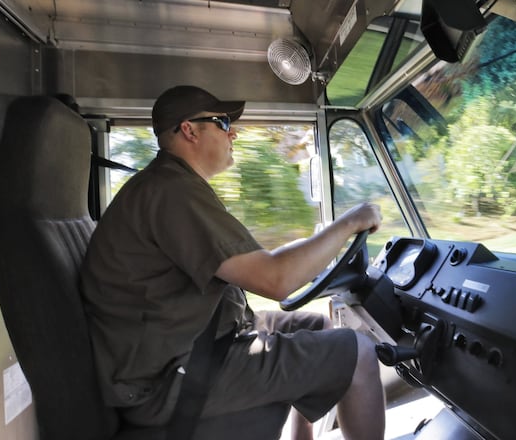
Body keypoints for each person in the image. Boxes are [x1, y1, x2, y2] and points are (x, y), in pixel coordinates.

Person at [80, 85, 385, 440]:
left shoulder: (170, 185)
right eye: (223, 122)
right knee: (361, 352)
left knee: (315, 324)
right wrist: (350, 222)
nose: (233, 132)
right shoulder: (172, 193)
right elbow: (275, 280)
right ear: (189, 130)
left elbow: (257, 263)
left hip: (185, 343)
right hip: (165, 379)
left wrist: (313, 248)